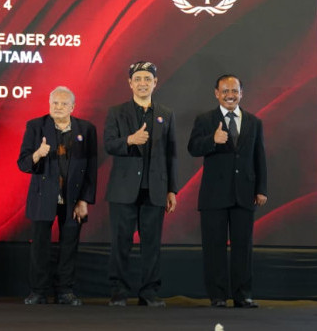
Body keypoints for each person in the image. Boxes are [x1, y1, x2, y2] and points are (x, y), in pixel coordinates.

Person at [188, 74, 267, 309]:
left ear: (241, 93)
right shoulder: (205, 119)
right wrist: (212, 140)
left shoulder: (254, 121)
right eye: (225, 91)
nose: (230, 95)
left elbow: (259, 157)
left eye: (234, 91)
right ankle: (218, 295)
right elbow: (193, 148)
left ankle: (243, 295)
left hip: (245, 194)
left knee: (243, 247)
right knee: (214, 247)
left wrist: (261, 189)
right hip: (214, 195)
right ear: (216, 93)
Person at [104, 61, 178, 307]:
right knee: (120, 243)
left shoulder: (166, 114)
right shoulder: (116, 112)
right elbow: (109, 144)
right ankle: (118, 292)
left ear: (155, 83)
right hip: (123, 190)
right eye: (138, 79)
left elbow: (171, 155)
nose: (143, 83)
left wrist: (172, 189)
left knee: (152, 245)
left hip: (155, 190)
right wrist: (130, 140)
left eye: (147, 79)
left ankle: (149, 292)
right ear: (130, 83)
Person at [17, 86, 97, 306]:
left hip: (73, 198)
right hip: (43, 195)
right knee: (39, 246)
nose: (58, 107)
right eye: (55, 103)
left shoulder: (86, 129)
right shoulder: (35, 126)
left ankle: (65, 291)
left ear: (72, 107)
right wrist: (38, 154)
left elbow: (91, 168)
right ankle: (38, 291)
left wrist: (84, 200)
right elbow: (23, 163)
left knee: (69, 245)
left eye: (63, 104)